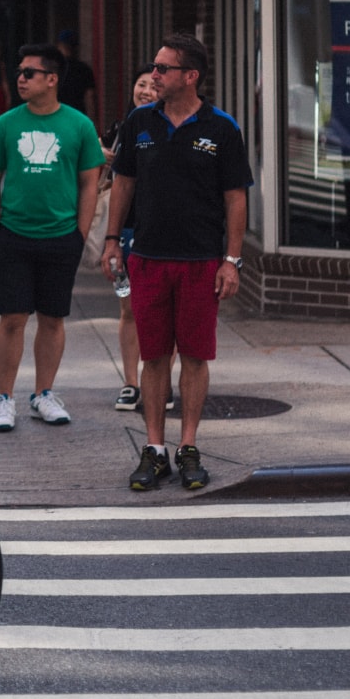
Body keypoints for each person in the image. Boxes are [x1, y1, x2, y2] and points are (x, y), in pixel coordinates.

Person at [102, 33, 253, 492]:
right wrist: (112, 241)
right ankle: (154, 449)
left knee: (194, 355)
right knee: (153, 357)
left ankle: (188, 446)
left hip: (200, 262)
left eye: (164, 68)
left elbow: (236, 199)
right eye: (154, 66)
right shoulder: (139, 122)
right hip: (147, 257)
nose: (154, 75)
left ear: (190, 76)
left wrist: (231, 260)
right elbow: (123, 183)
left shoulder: (221, 127)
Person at [0, 44, 105, 432]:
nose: (20, 78)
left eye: (29, 73)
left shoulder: (79, 125)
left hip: (61, 236)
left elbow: (90, 183)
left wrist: (79, 234)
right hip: (14, 235)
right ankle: (4, 399)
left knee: (52, 318)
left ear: (52, 79)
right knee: (12, 318)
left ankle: (43, 394)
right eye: (19, 72)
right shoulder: (5, 124)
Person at [109, 67, 162, 413]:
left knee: (163, 314)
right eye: (140, 84)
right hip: (127, 232)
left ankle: (160, 383)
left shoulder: (171, 128)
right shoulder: (121, 129)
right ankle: (130, 382)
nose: (145, 90)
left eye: (151, 86)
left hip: (163, 233)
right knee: (129, 309)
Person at [56, 29, 97, 120]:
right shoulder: (84, 69)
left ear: (59, 46)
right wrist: (92, 122)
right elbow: (90, 98)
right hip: (77, 116)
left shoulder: (53, 69)